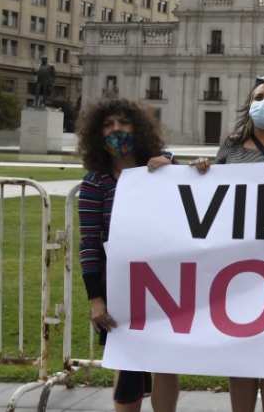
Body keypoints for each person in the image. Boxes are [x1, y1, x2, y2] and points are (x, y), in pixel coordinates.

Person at [186, 74, 264, 412]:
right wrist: (201, 170)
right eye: (260, 96)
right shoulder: (230, 144)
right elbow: (209, 191)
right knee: (239, 353)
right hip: (236, 267)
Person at [77, 99, 180, 412]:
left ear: (138, 129)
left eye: (123, 122)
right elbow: (89, 246)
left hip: (166, 281)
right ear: (98, 134)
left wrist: (175, 169)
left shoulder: (165, 168)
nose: (116, 129)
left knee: (166, 362)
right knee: (129, 367)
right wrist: (96, 300)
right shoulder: (95, 184)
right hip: (120, 285)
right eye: (108, 125)